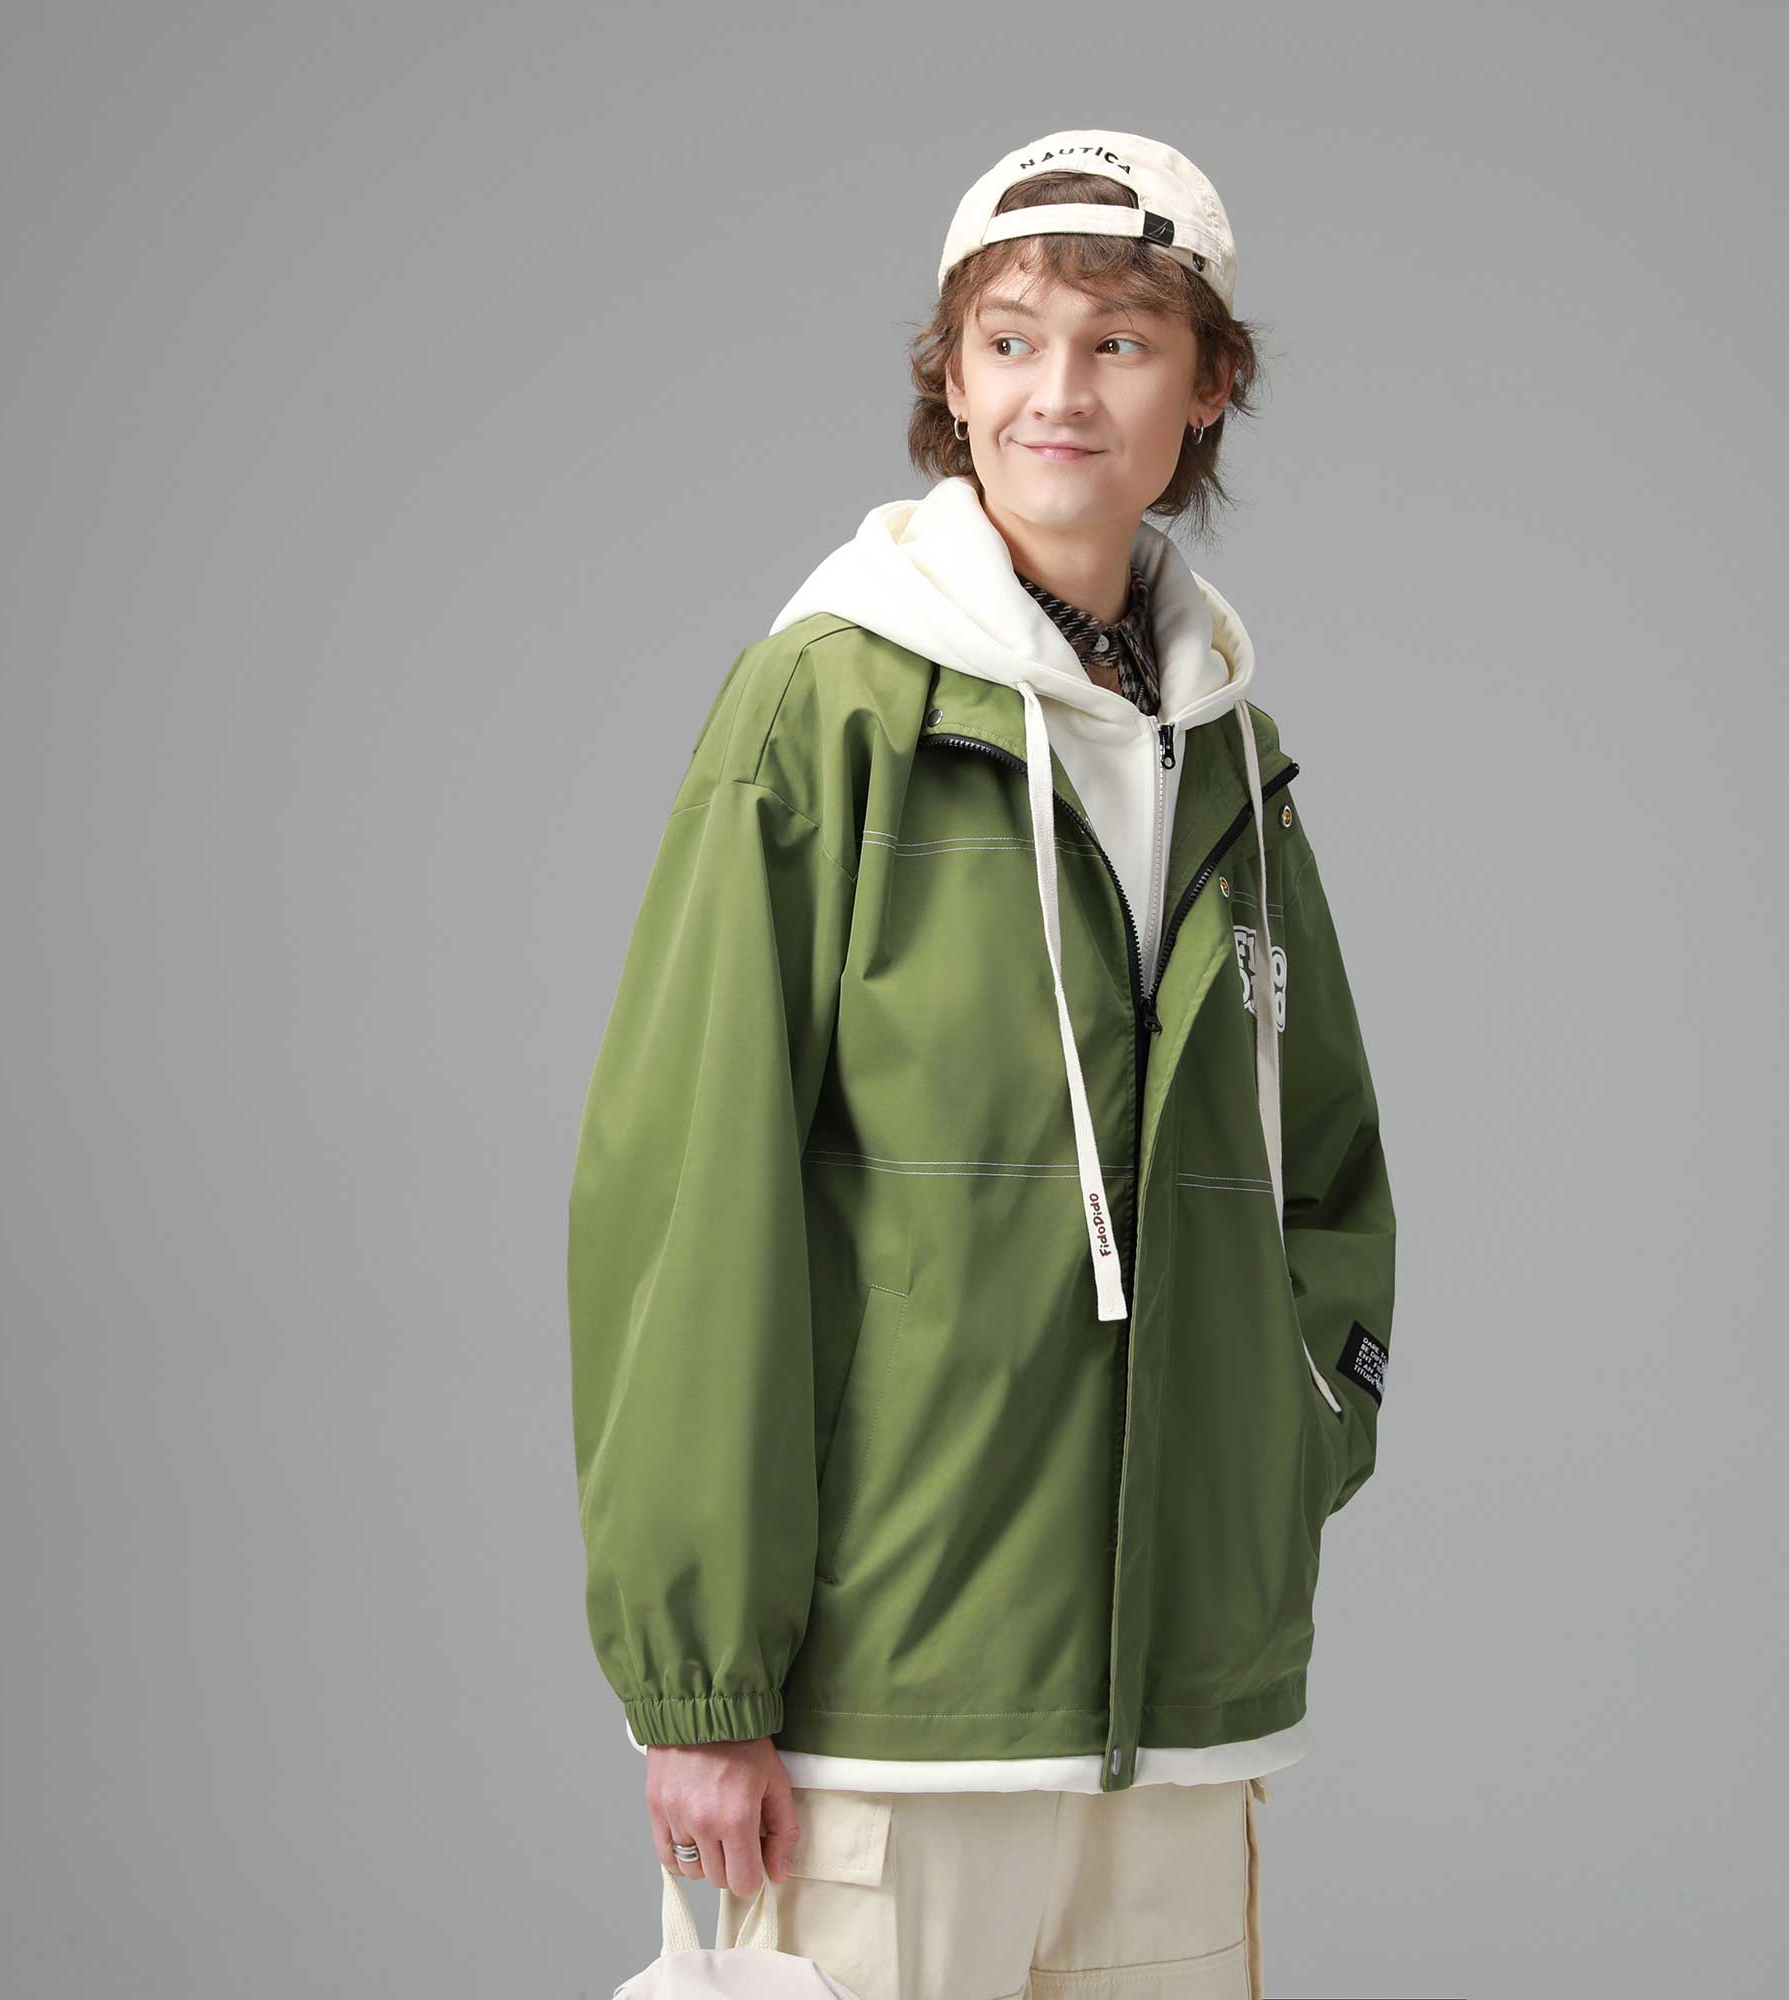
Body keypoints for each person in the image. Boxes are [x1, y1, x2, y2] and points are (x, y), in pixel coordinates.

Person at [567, 129, 1398, 1999]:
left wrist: (1292, 1430)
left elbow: (1323, 1166)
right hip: (886, 1721)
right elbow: (687, 1198)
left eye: (1120, 343)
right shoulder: (825, 707)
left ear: (1206, 387)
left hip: (1181, 1727)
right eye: (1010, 341)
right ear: (949, 381)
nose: (1058, 393)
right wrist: (701, 1685)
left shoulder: (1230, 757)